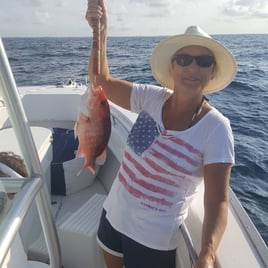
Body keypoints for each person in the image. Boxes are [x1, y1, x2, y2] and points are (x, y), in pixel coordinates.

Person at [86, 1, 236, 268]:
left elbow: (217, 200)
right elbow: (101, 84)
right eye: (183, 59)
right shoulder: (150, 98)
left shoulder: (216, 128)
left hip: (152, 241)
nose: (192, 68)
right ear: (172, 67)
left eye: (203, 61)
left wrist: (208, 253)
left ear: (212, 71)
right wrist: (100, 31)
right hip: (113, 216)